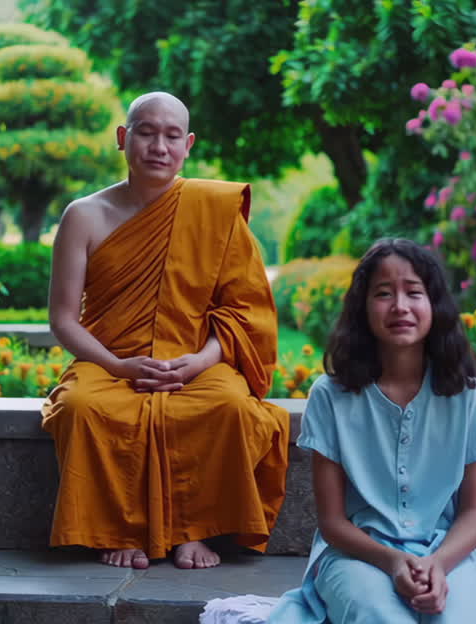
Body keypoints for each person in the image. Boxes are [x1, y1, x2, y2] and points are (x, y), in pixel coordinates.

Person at [42, 91, 290, 571]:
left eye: (172, 135)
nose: (159, 145)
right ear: (123, 137)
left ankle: (196, 533)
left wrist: (200, 361)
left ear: (188, 144)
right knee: (81, 407)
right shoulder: (84, 216)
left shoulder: (213, 209)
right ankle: (117, 531)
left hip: (196, 361)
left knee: (230, 407)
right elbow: (63, 319)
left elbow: (244, 311)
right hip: (108, 360)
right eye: (147, 132)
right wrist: (116, 364)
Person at [265, 238, 476, 623]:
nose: (400, 307)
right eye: (383, 293)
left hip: (446, 552)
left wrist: (438, 565)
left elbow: (474, 515)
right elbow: (332, 523)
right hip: (356, 554)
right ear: (362, 308)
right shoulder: (330, 396)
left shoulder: (470, 398)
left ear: (435, 305)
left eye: (414, 292)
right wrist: (394, 561)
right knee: (381, 617)